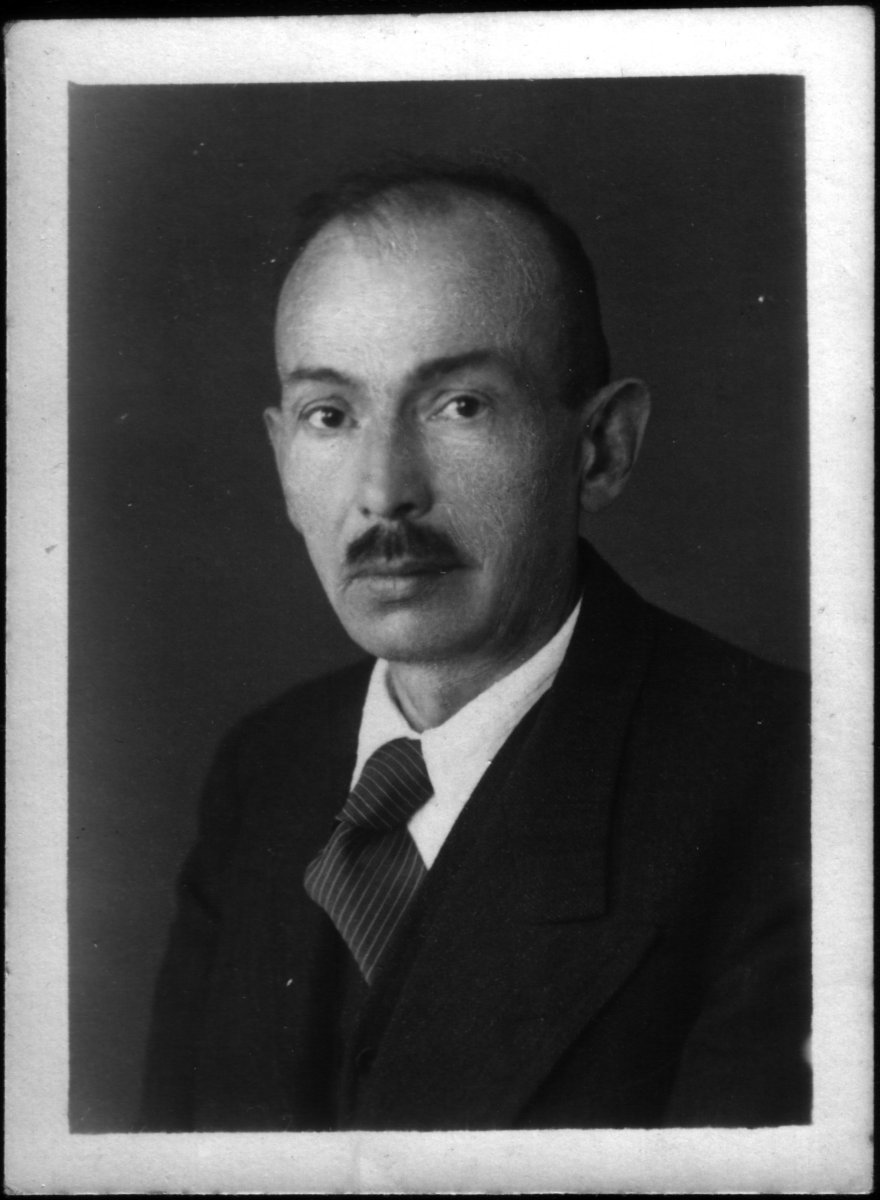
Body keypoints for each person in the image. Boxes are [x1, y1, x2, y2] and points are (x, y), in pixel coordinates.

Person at [139, 162, 811, 1132]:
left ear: (601, 449)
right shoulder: (263, 770)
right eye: (331, 415)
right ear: (284, 460)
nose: (385, 492)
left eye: (459, 405)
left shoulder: (791, 781)